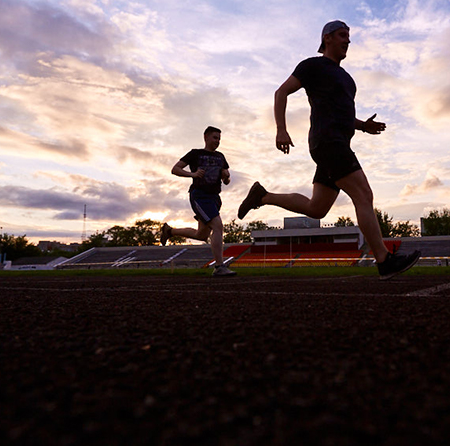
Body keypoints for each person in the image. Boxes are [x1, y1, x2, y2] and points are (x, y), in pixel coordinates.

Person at [238, 20, 420, 280]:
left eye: (349, 36)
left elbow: (342, 116)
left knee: (317, 209)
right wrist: (281, 128)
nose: (348, 41)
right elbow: (281, 92)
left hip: (338, 143)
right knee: (364, 194)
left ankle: (262, 196)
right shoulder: (312, 65)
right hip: (328, 142)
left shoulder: (348, 80)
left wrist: (363, 126)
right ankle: (384, 260)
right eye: (342, 35)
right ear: (327, 38)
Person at [160, 126, 236, 277]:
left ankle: (170, 231)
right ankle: (219, 267)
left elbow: (226, 181)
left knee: (202, 235)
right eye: (215, 138)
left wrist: (226, 176)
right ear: (206, 137)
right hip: (200, 196)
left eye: (219, 139)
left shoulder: (221, 157)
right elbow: (175, 169)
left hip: (214, 198)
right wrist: (192, 174)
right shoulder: (196, 153)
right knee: (218, 225)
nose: (217, 141)